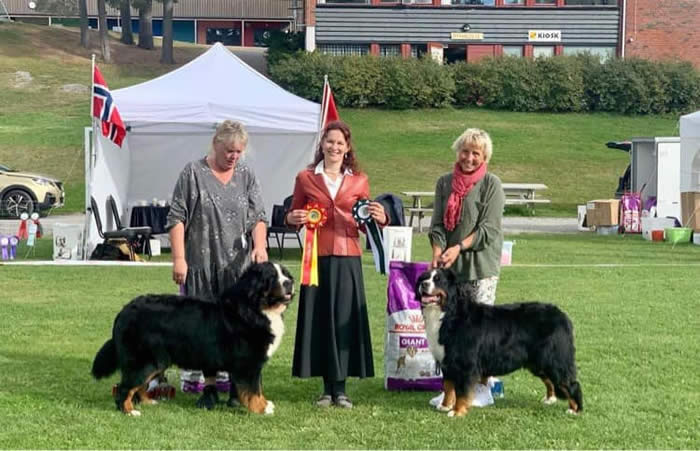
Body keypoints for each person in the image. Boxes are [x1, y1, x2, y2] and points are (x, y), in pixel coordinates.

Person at [165, 119, 268, 408]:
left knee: (238, 328)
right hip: (200, 263)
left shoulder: (246, 174)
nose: (234, 156)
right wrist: (179, 258)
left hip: (236, 269)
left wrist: (259, 246)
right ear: (216, 144)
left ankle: (237, 388)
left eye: (239, 152)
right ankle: (208, 387)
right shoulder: (193, 173)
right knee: (205, 328)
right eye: (229, 151)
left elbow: (258, 216)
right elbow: (177, 218)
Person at [287, 120, 389, 409]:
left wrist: (380, 217)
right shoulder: (306, 178)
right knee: (320, 320)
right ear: (322, 145)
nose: (334, 147)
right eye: (329, 142)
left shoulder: (359, 180)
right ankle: (325, 388)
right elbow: (293, 213)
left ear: (347, 148)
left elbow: (366, 219)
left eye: (339, 143)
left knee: (344, 320)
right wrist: (292, 219)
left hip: (348, 258)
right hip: (316, 259)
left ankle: (341, 389)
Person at [427, 127, 505, 408]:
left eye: (476, 153)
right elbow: (437, 224)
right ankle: (451, 389)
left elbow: (489, 229)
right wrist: (438, 251)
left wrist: (458, 246)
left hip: (480, 266)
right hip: (450, 271)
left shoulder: (491, 184)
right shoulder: (444, 183)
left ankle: (482, 387)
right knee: (451, 332)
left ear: (484, 157)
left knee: (479, 333)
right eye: (465, 151)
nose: (469, 158)